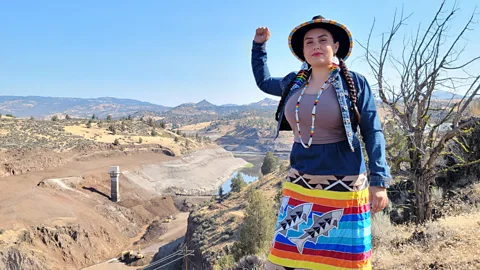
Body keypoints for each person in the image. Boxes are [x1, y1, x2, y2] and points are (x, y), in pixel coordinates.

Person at [251, 15, 392, 270]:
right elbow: (263, 81)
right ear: (302, 51)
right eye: (309, 42)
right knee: (284, 260)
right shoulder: (293, 82)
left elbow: (373, 131)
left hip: (345, 183)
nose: (316, 46)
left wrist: (379, 181)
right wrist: (259, 47)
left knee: (341, 261)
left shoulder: (355, 83)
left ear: (335, 47)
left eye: (323, 40)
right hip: (300, 181)